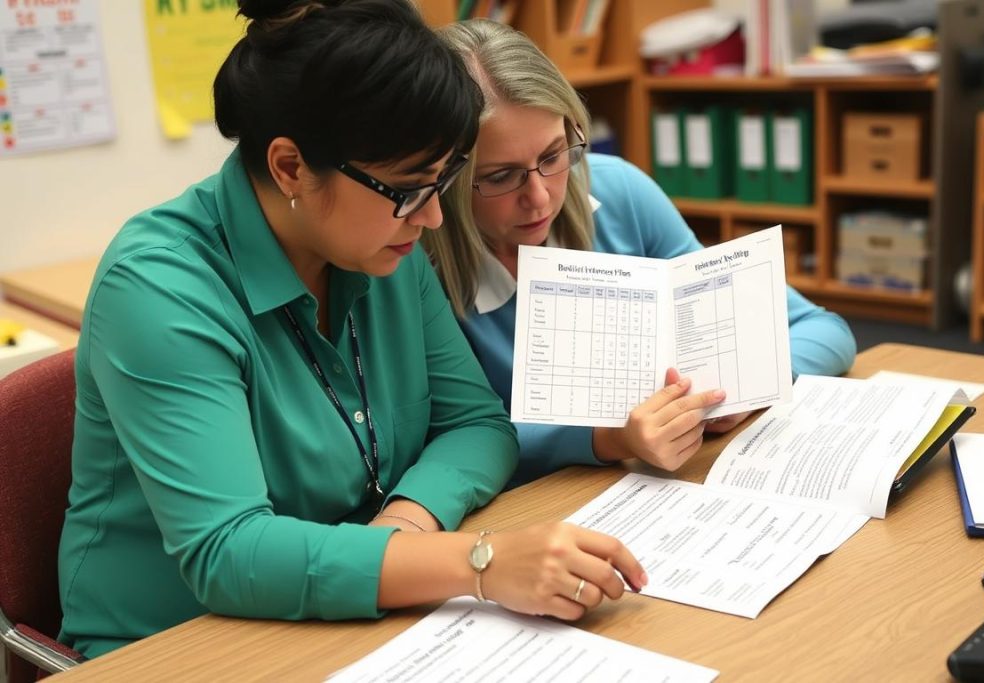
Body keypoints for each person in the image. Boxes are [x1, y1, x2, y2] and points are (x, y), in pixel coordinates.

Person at [58, 1, 645, 659]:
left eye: (442, 182)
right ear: (290, 168)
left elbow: (476, 424)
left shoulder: (382, 242)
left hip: (359, 622)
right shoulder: (159, 286)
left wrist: (404, 527)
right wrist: (477, 560)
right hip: (175, 644)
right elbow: (227, 550)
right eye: (408, 190)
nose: (430, 220)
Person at [424, 19, 857, 488]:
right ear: (445, 179)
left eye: (554, 155)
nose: (541, 198)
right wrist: (608, 438)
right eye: (503, 176)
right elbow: (448, 443)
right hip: (538, 509)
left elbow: (825, 330)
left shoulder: (619, 192)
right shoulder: (415, 266)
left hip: (672, 480)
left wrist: (751, 387)